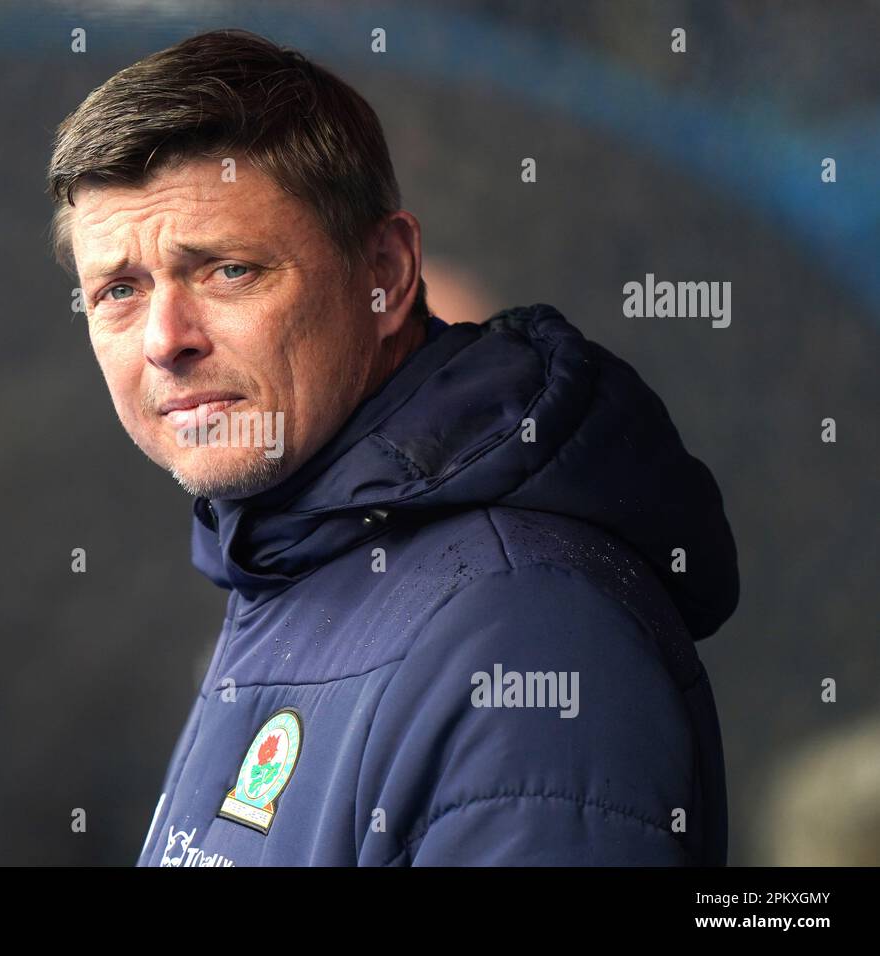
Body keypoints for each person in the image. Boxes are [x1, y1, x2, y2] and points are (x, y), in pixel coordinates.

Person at [45, 28, 738, 866]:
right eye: (118, 290)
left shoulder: (528, 630)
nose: (165, 339)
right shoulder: (286, 560)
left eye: (227, 270)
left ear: (387, 272)